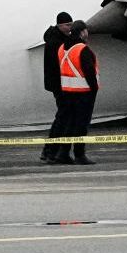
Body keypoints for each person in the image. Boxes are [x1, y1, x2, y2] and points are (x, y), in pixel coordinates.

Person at [56, 20, 98, 165]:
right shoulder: (82, 49)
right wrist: (94, 88)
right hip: (83, 93)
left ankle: (63, 153)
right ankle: (80, 155)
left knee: (69, 123)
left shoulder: (62, 48)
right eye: (86, 31)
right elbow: (89, 71)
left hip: (67, 92)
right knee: (81, 125)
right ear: (82, 32)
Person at [40, 12, 73, 163]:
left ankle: (52, 151)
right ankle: (51, 151)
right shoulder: (57, 43)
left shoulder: (53, 39)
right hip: (61, 85)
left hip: (57, 84)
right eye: (67, 25)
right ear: (60, 25)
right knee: (63, 117)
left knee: (63, 116)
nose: (69, 28)